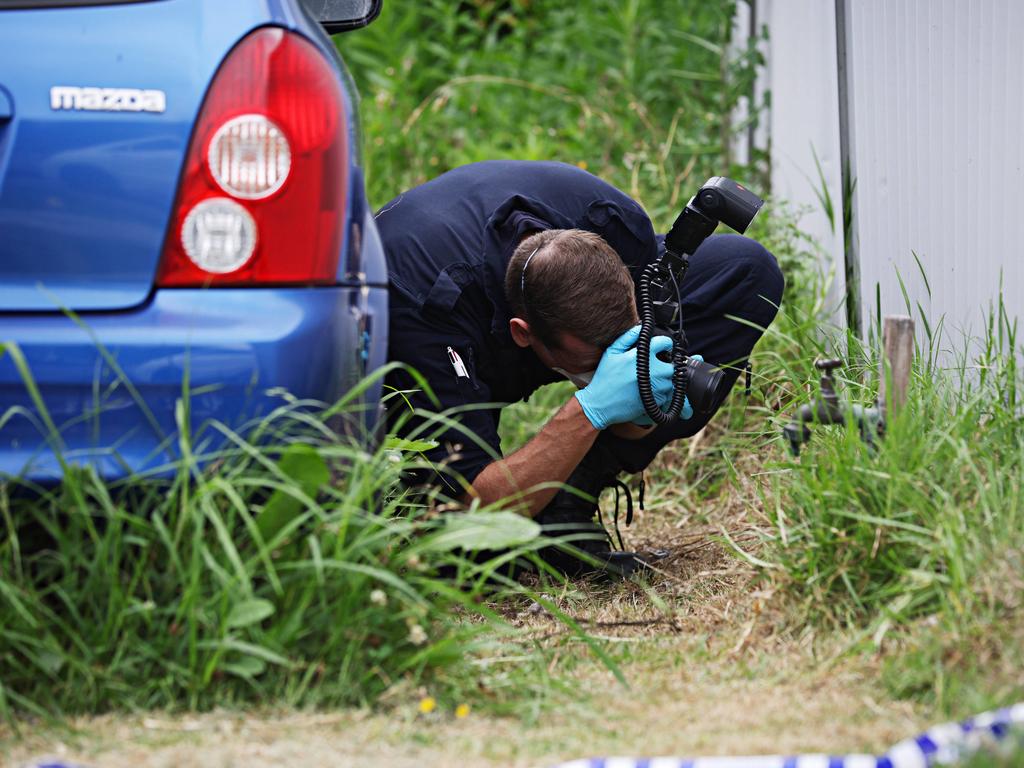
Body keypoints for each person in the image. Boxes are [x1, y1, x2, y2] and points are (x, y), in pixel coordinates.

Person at [378, 160, 784, 574]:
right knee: (479, 558)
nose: (612, 364)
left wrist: (648, 381)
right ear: (523, 334)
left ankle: (568, 501)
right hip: (429, 315)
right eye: (597, 360)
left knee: (745, 270)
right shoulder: (425, 312)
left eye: (621, 346)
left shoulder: (617, 225)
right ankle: (521, 502)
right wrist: (589, 410)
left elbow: (640, 354)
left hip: (537, 299)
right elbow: (474, 502)